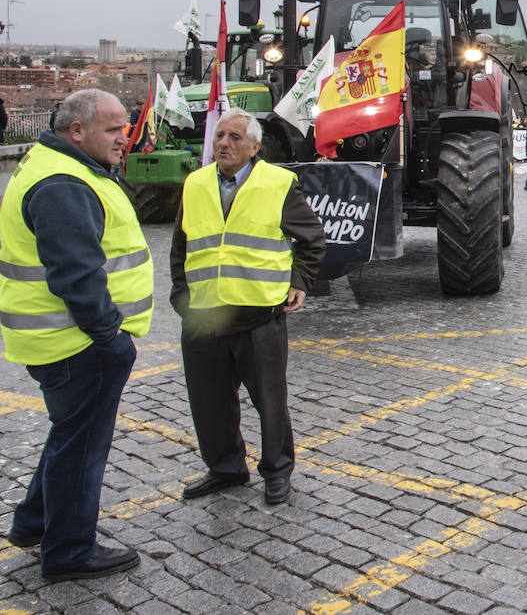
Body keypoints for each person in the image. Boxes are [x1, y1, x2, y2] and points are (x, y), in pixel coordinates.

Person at [1, 89, 154, 580]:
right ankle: (68, 551)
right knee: (82, 446)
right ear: (77, 132)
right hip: (77, 341)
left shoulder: (53, 165)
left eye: (124, 127)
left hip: (63, 339)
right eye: (113, 129)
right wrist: (110, 335)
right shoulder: (64, 182)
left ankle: (33, 523)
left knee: (69, 434)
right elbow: (76, 274)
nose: (124, 137)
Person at [171, 108, 325, 506]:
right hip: (204, 316)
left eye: (235, 137)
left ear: (255, 147)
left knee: (269, 402)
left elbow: (311, 239)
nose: (224, 143)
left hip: (259, 315)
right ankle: (225, 468)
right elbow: (180, 246)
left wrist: (299, 282)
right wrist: (180, 297)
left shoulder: (277, 184)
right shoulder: (195, 183)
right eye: (220, 135)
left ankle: (277, 470)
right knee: (209, 402)